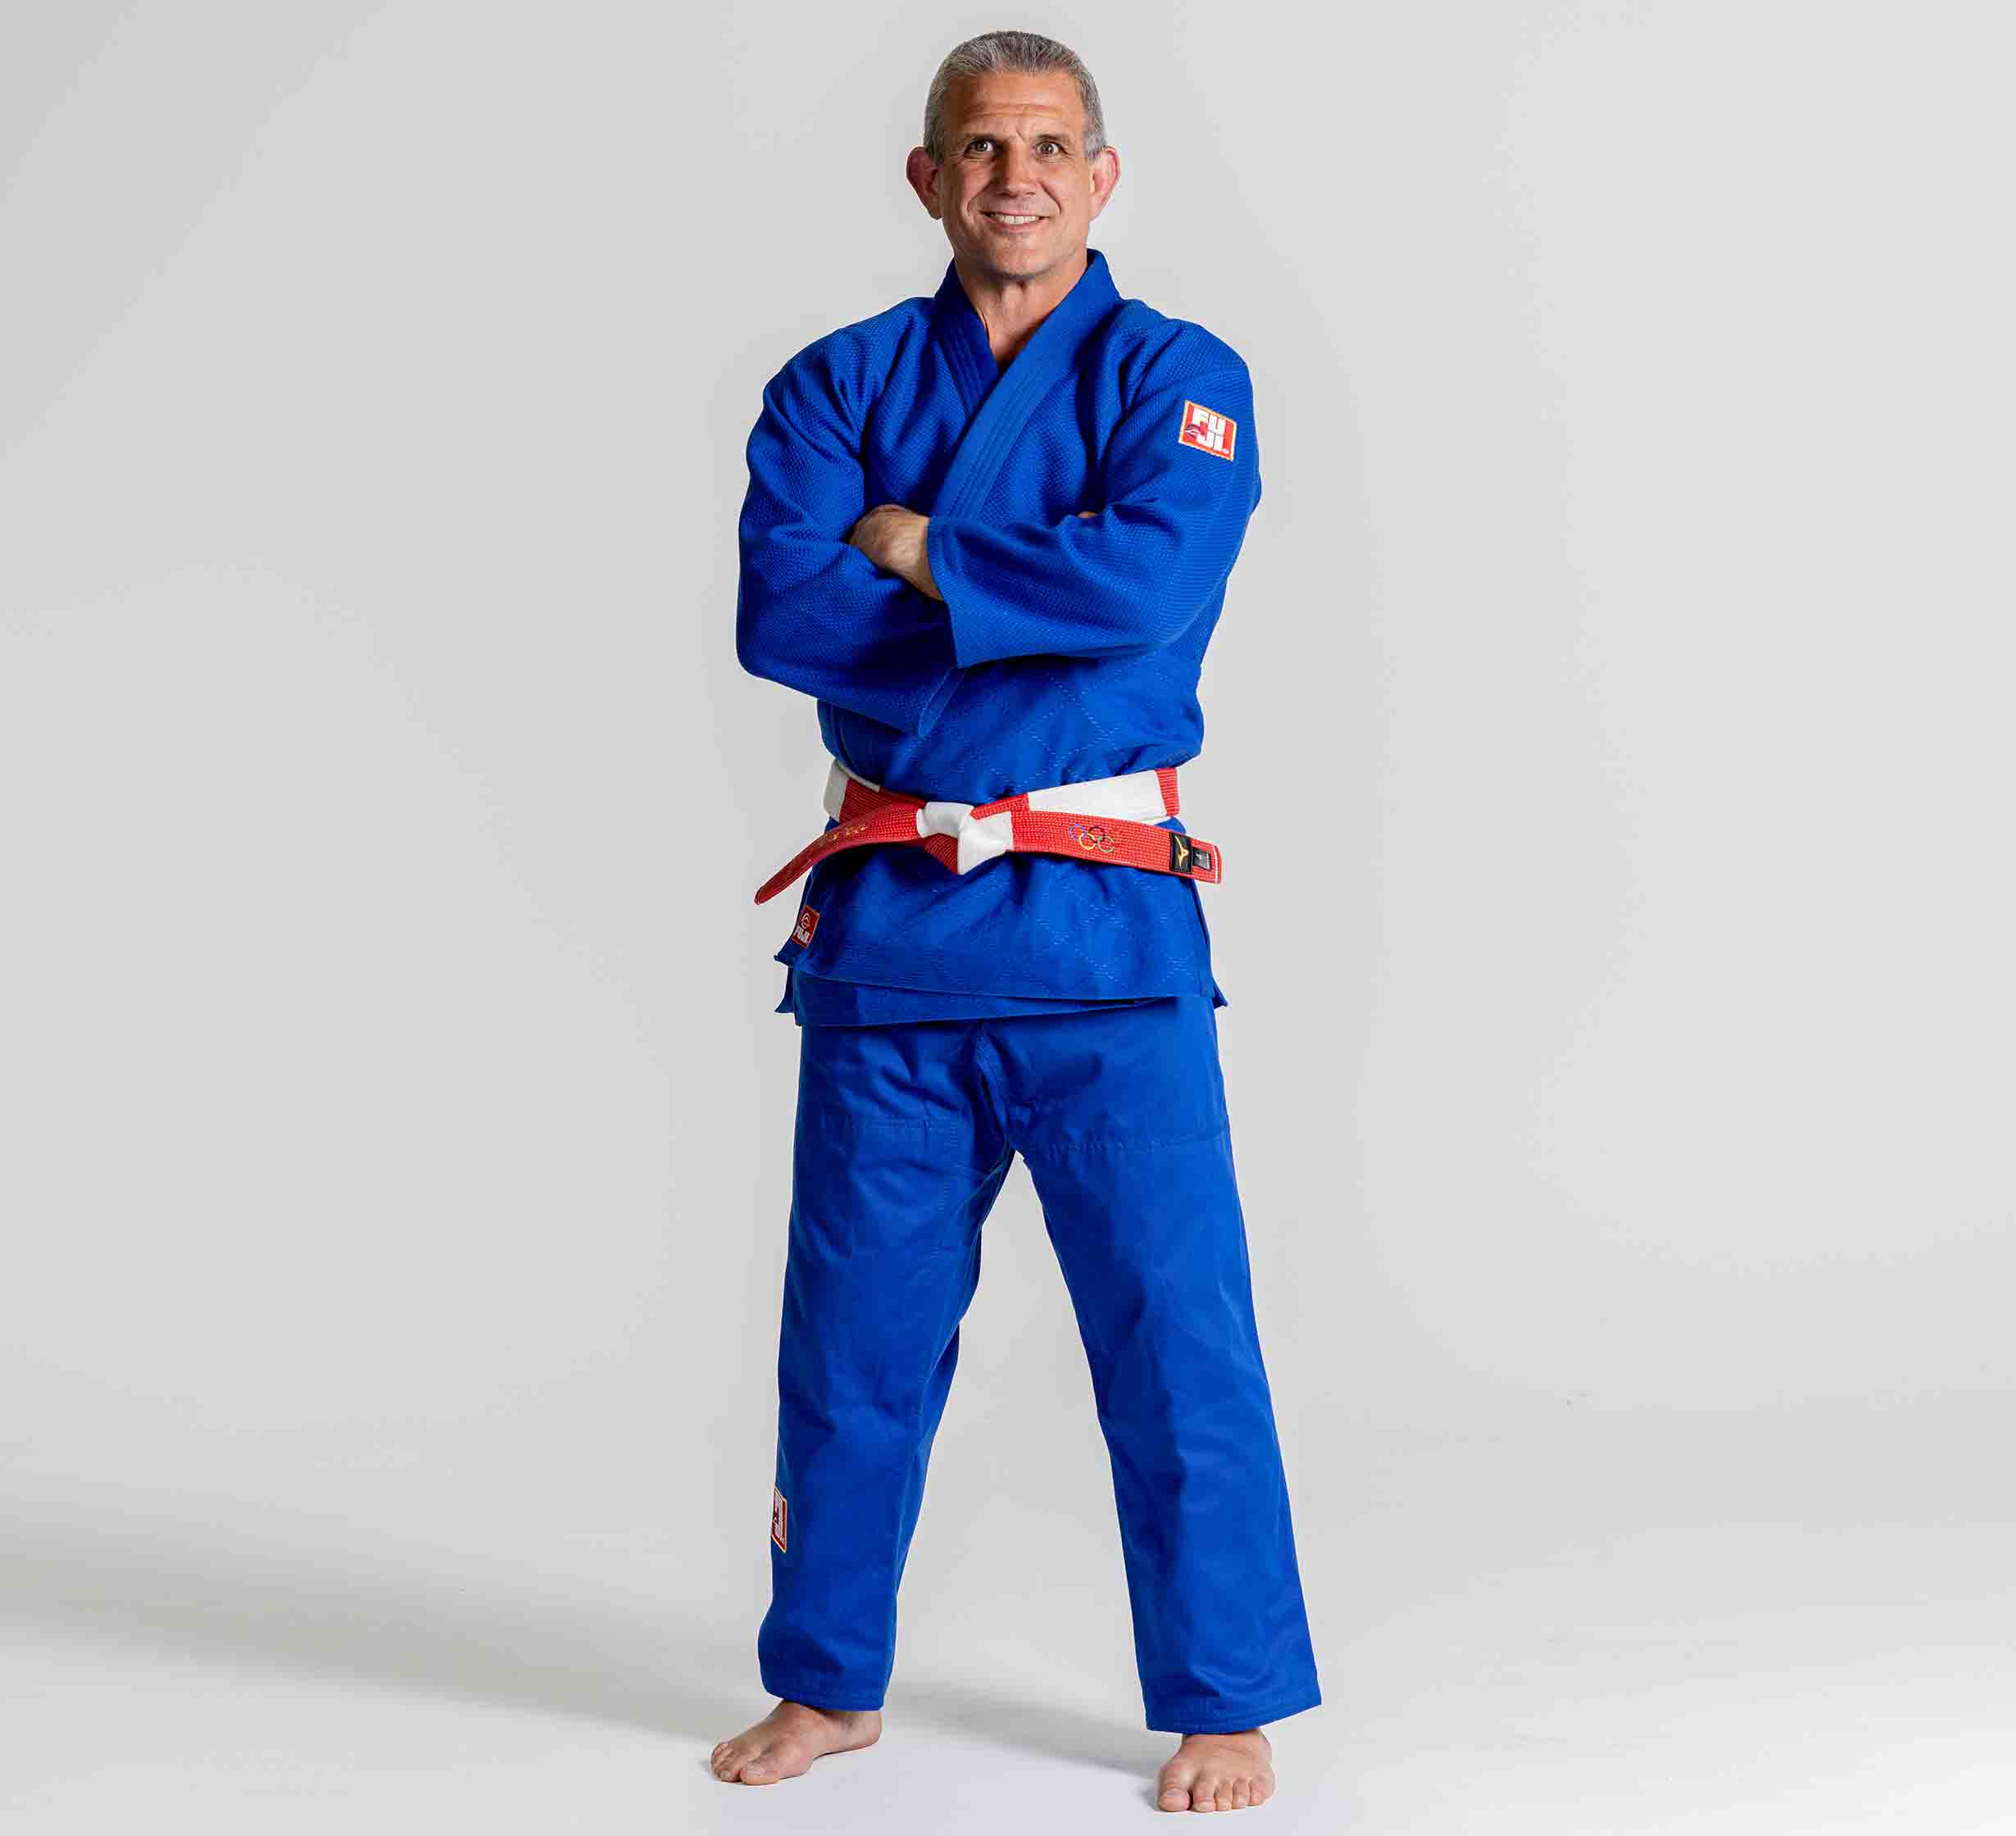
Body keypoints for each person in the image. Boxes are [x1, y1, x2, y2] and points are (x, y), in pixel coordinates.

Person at [711, 30, 1321, 1816]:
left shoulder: (1176, 374)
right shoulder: (832, 388)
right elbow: (782, 615)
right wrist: (1014, 610)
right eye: (981, 146)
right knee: (853, 1340)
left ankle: (1222, 1693)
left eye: (1052, 144)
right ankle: (824, 1680)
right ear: (929, 176)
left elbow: (1155, 587)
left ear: (1103, 174)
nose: (1017, 176)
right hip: (892, 935)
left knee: (1173, 1333)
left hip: (1106, 944)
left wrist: (918, 553)